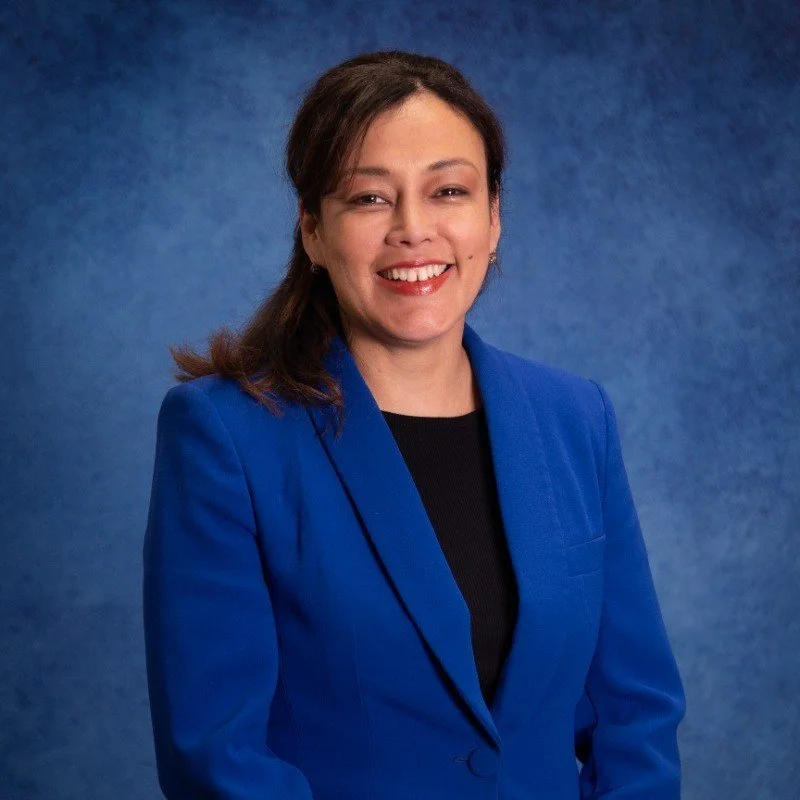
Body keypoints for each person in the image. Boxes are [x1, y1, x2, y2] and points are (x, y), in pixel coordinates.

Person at [142, 50, 685, 799]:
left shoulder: (575, 418)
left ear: (492, 218)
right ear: (313, 229)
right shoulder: (226, 434)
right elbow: (217, 757)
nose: (413, 229)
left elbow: (637, 718)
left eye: (449, 190)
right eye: (369, 199)